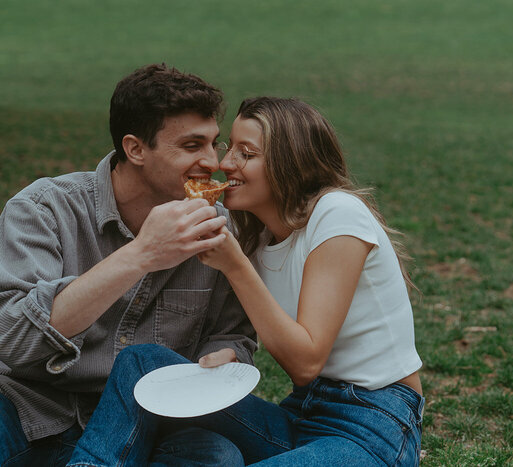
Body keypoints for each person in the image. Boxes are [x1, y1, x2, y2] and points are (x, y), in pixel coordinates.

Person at [0, 64, 256, 466]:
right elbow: (15, 338)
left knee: (217, 457)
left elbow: (232, 335)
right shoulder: (43, 209)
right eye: (193, 146)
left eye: (214, 143)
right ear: (136, 149)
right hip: (23, 398)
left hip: (144, 417)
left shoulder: (219, 232)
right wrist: (142, 253)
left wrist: (225, 356)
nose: (213, 161)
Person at [66, 97, 424, 466]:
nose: (224, 164)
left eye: (246, 153)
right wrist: (227, 353)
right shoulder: (260, 238)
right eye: (230, 149)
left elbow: (305, 363)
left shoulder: (337, 214)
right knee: (142, 362)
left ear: (291, 163)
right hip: (303, 414)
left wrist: (235, 266)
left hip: (374, 424)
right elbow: (254, 340)